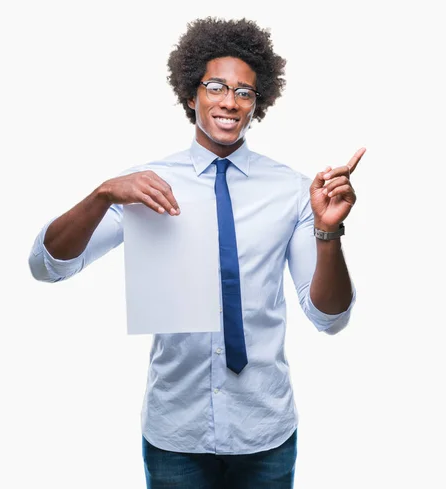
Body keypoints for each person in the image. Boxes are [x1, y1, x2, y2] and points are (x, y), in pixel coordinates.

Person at [29, 16, 365, 489]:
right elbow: (47, 267)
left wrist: (329, 232)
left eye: (244, 92)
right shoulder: (142, 186)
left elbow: (329, 317)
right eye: (216, 87)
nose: (229, 102)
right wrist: (101, 194)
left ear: (258, 104)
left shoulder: (293, 192)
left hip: (264, 430)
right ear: (192, 94)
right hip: (176, 432)